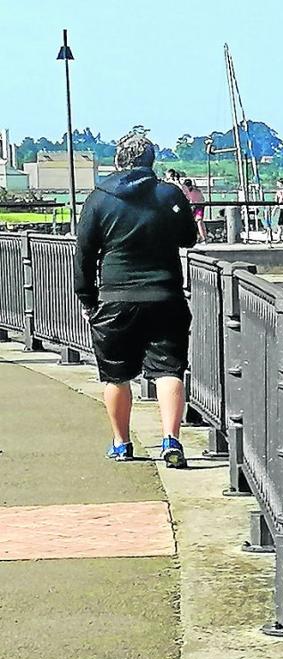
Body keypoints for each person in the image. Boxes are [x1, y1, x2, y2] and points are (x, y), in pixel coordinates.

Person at [73, 129, 197, 467]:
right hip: (165, 295)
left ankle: (121, 443)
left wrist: (88, 299)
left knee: (115, 375)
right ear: (151, 162)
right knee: (169, 370)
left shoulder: (98, 199)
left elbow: (84, 254)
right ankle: (171, 440)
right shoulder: (168, 194)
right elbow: (189, 238)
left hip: (115, 298)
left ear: (118, 161)